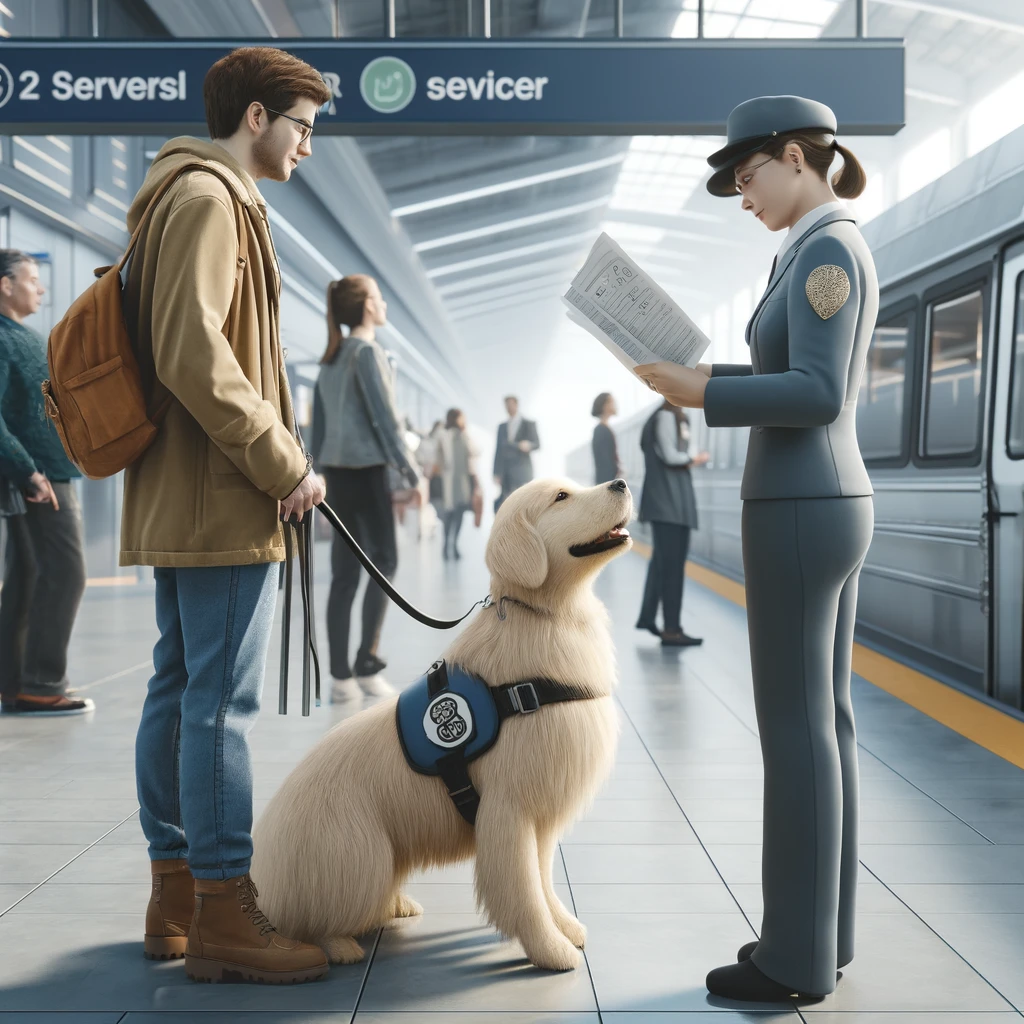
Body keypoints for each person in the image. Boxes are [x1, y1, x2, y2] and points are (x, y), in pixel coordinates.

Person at [636, 95, 876, 1002]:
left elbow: (814, 391)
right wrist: (699, 381)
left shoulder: (824, 249)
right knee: (828, 724)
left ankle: (793, 957)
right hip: (821, 496)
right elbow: (797, 377)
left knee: (796, 728)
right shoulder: (818, 245)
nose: (743, 198)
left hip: (801, 501)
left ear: (792, 156)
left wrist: (704, 395)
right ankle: (830, 934)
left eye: (748, 179)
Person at [124, 47, 332, 984]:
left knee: (177, 685)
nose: (307, 146)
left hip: (188, 487)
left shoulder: (179, 195)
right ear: (256, 117)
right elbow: (191, 351)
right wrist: (282, 459)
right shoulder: (212, 202)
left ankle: (175, 891)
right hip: (224, 490)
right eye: (302, 126)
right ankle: (223, 907)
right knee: (219, 705)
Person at [311, 274, 418, 703]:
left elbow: (317, 426)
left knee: (343, 576)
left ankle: (340, 679)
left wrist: (314, 469)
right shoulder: (368, 352)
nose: (385, 303)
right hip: (369, 473)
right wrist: (412, 473)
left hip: (337, 477)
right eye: (380, 296)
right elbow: (386, 420)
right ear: (368, 307)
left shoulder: (331, 357)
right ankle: (366, 663)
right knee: (385, 562)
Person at [0, 250, 90, 717]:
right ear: (5, 285)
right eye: (32, 279)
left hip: (42, 475)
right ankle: (42, 682)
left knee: (27, 577)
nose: (41, 289)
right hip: (40, 479)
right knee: (68, 574)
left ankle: (13, 685)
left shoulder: (22, 336)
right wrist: (27, 470)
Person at [635, 401, 708, 646]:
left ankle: (650, 619)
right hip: (669, 502)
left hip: (670, 501)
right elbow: (670, 455)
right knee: (672, 567)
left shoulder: (668, 417)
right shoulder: (666, 417)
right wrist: (693, 458)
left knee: (663, 564)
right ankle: (672, 630)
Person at [435, 407, 480, 561]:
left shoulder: (465, 436)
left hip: (462, 482)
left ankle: (454, 544)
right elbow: (435, 455)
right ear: (455, 418)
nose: (464, 420)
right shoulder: (442, 434)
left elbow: (476, 452)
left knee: (459, 513)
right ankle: (446, 543)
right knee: (448, 515)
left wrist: (466, 435)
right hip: (447, 482)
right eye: (462, 417)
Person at [493, 395, 539, 509]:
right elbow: (498, 451)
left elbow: (537, 444)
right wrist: (496, 472)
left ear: (516, 405)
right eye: (506, 406)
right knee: (507, 504)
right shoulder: (502, 427)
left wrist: (528, 445)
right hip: (506, 472)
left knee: (524, 503)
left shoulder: (528, 424)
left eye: (510, 405)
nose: (508, 408)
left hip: (522, 471)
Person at [591, 392, 623, 485]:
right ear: (605, 406)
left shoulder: (603, 428)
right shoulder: (601, 430)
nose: (615, 404)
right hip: (608, 484)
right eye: (612, 401)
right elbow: (604, 464)